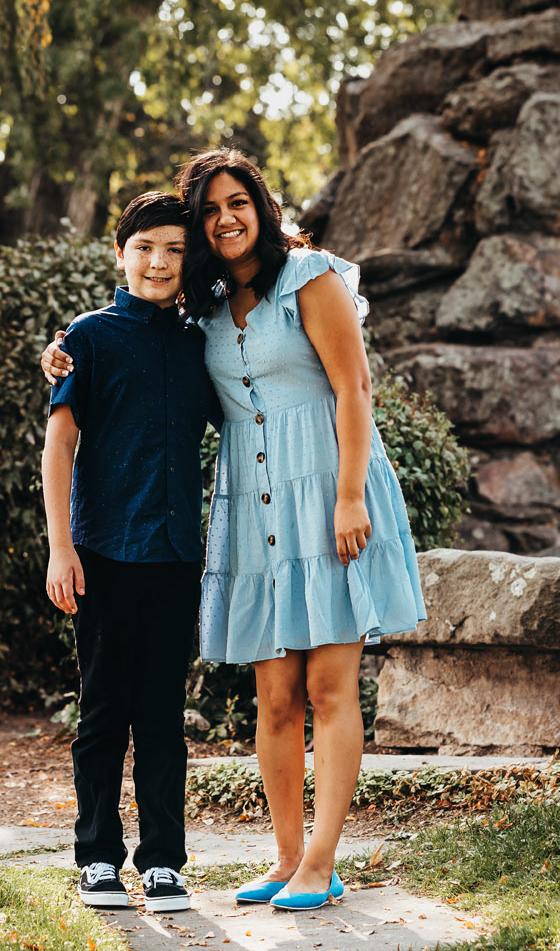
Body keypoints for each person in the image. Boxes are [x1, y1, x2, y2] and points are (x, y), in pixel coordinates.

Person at [44, 150, 426, 912]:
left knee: (328, 683)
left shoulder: (310, 277)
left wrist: (351, 494)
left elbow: (354, 386)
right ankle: (286, 857)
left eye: (238, 201)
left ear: (262, 205)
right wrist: (58, 353)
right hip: (253, 508)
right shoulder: (205, 313)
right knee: (275, 695)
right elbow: (119, 371)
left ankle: (321, 861)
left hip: (327, 494)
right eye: (210, 208)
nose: (226, 217)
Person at [41, 190, 218, 913]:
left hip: (176, 555)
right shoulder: (87, 337)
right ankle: (98, 857)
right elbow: (60, 446)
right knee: (104, 712)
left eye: (176, 250)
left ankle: (166, 860)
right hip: (103, 554)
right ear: (121, 253)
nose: (159, 261)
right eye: (146, 247)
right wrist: (60, 548)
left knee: (162, 716)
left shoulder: (199, 339)